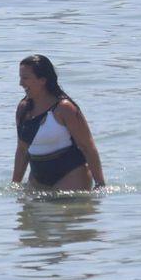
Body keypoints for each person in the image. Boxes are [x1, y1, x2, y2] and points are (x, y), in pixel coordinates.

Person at [13, 54, 105, 191]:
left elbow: (87, 146)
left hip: (70, 175)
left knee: (66, 209)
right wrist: (15, 184)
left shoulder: (65, 108)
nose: (21, 83)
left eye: (26, 78)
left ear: (42, 80)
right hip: (37, 177)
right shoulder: (23, 109)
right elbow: (22, 150)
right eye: (20, 78)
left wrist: (100, 184)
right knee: (27, 212)